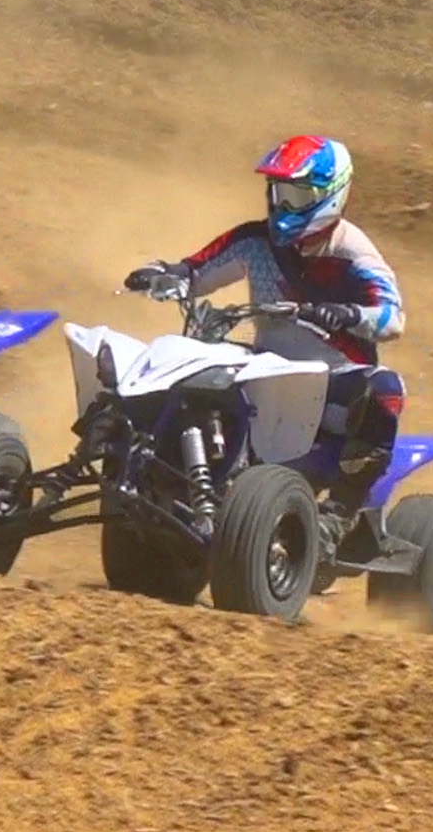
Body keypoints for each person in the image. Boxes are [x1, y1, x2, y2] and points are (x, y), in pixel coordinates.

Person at [128, 134, 407, 543]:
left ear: (331, 195)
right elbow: (195, 271)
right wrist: (164, 274)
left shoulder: (354, 254)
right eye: (277, 194)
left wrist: (348, 314)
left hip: (333, 380)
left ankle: (337, 516)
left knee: (385, 389)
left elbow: (392, 317)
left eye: (296, 196)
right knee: (195, 366)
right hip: (266, 368)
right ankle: (164, 474)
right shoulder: (255, 242)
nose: (282, 207)